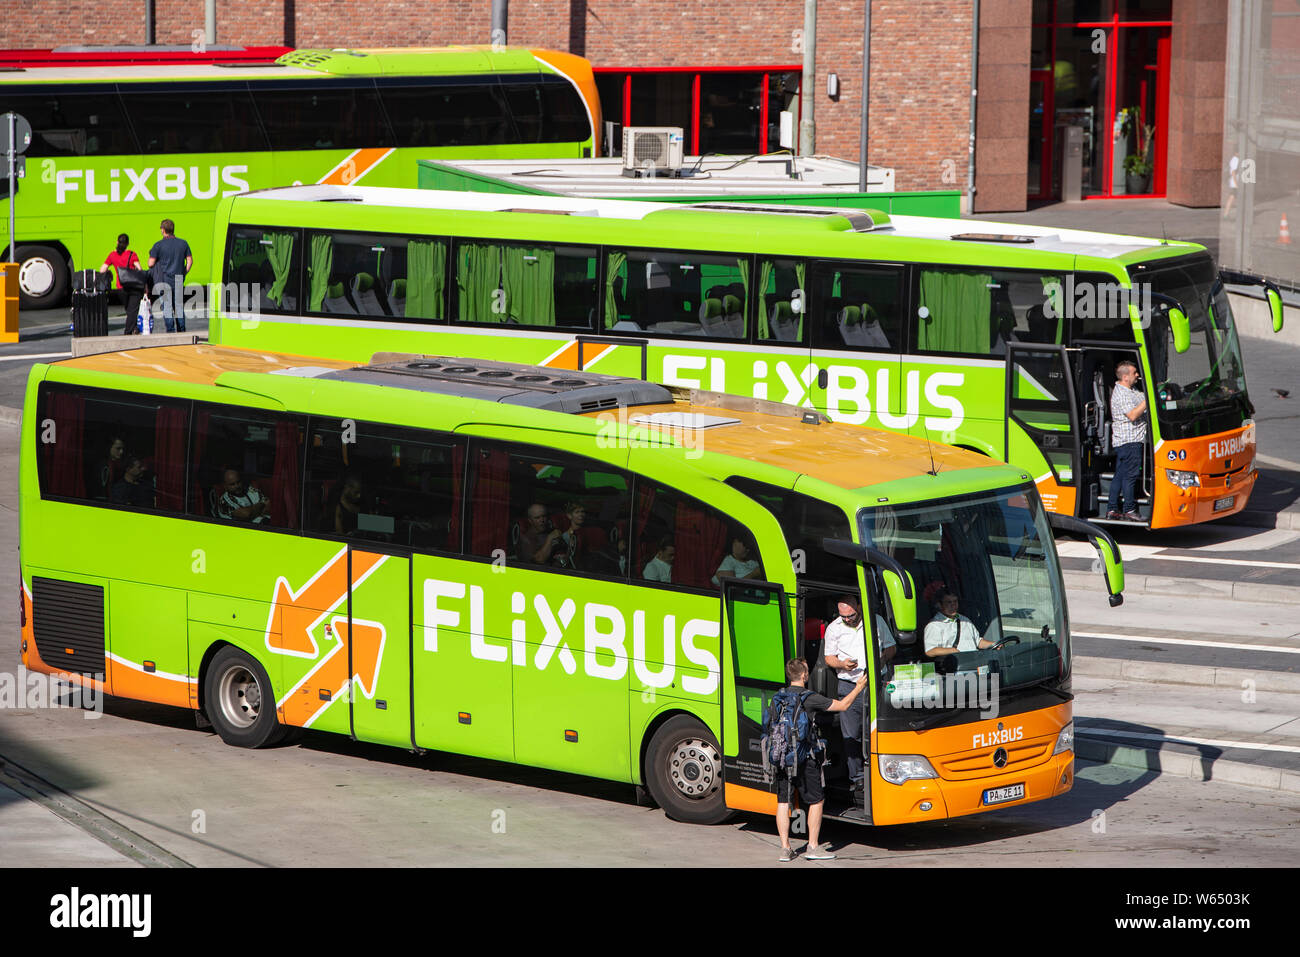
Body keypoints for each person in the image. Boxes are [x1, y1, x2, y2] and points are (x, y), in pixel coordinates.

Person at [773, 657, 868, 862]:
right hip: (805, 757)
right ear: (805, 675)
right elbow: (843, 706)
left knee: (783, 801)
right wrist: (859, 687)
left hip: (781, 756)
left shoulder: (778, 697)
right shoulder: (810, 697)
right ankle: (813, 847)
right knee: (816, 801)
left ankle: (785, 848)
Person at [822, 594, 895, 799]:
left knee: (874, 729)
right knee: (851, 732)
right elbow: (828, 658)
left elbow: (891, 648)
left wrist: (878, 661)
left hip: (874, 682)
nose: (847, 619)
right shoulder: (834, 628)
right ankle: (858, 778)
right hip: (849, 684)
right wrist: (842, 664)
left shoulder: (876, 621)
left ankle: (879, 772)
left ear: (859, 607)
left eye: (851, 615)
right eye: (844, 616)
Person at [1106, 359, 1148, 521]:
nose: (1137, 375)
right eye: (1134, 373)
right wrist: (1147, 400)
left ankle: (1112, 510)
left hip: (1126, 441)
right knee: (1130, 476)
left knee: (1120, 475)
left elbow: (1141, 397)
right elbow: (1132, 415)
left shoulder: (1131, 391)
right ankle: (1129, 510)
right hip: (1129, 441)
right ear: (1125, 377)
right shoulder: (1121, 394)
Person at [148, 219, 193, 333]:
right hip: (178, 278)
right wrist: (184, 273)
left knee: (167, 308)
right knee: (178, 306)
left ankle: (171, 330)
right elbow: (190, 261)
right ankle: (181, 330)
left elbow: (150, 263)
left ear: (163, 230)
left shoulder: (158, 245)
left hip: (164, 279)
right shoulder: (183, 243)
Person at [924, 590, 995, 657]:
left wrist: (994, 645)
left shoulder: (965, 620)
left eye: (955, 601)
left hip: (975, 663)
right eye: (949, 602)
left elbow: (977, 642)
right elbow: (930, 651)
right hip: (955, 666)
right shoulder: (934, 625)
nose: (953, 605)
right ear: (940, 605)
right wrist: (953, 651)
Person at [99, 234, 144, 335]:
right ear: (127, 244)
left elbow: (102, 270)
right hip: (133, 287)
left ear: (117, 242)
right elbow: (140, 269)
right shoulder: (132, 254)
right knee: (132, 310)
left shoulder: (112, 255)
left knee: (129, 310)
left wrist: (109, 273)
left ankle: (134, 328)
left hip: (121, 287)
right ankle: (128, 331)